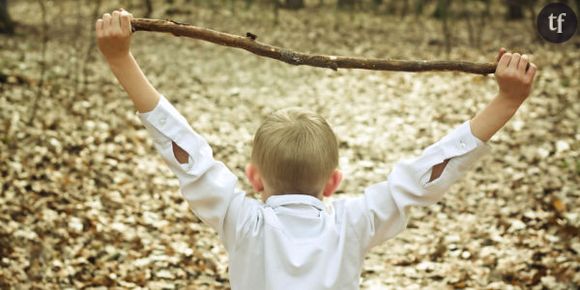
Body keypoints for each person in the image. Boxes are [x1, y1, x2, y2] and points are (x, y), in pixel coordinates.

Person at [96, 9, 537, 290]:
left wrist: (120, 59)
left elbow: (187, 154)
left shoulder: (242, 221)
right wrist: (506, 100)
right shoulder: (352, 223)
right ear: (334, 182)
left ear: (253, 178)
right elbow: (423, 177)